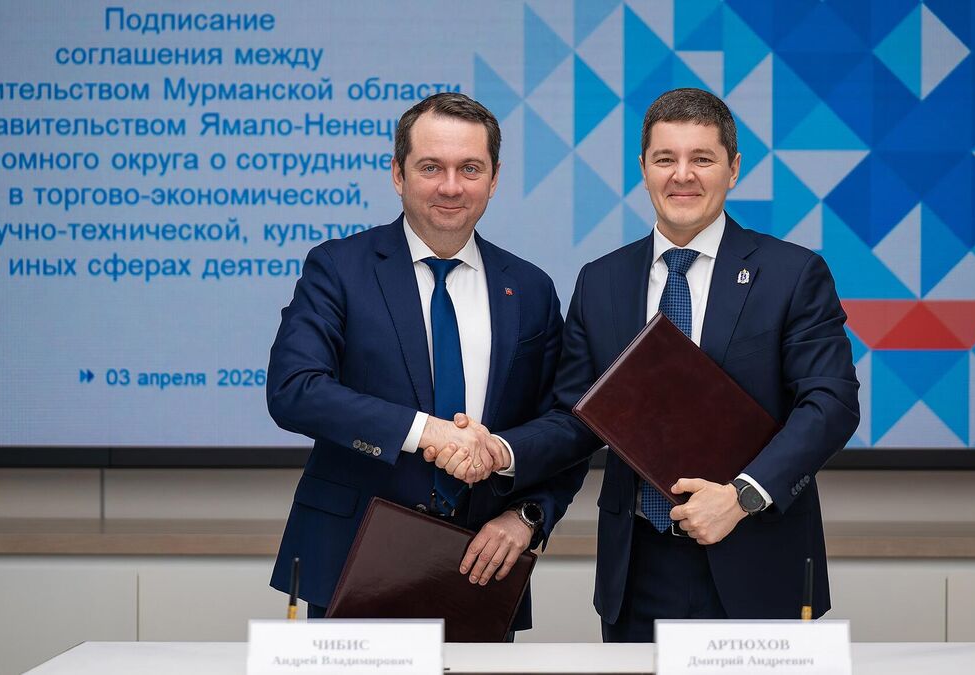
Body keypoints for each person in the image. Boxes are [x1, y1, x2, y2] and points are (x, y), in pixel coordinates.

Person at [429, 88, 860, 642]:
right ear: (644, 168)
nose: (682, 175)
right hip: (637, 570)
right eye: (665, 159)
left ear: (733, 169)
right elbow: (575, 416)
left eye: (702, 159)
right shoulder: (602, 281)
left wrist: (743, 496)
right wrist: (503, 451)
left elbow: (830, 404)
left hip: (756, 554)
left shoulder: (792, 274)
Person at [265, 92, 587, 633]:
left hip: (482, 567)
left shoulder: (530, 288)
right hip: (353, 561)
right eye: (431, 167)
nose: (451, 186)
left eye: (470, 169)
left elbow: (568, 425)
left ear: (494, 178)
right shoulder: (339, 268)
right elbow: (295, 390)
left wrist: (527, 515)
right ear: (398, 173)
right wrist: (426, 431)